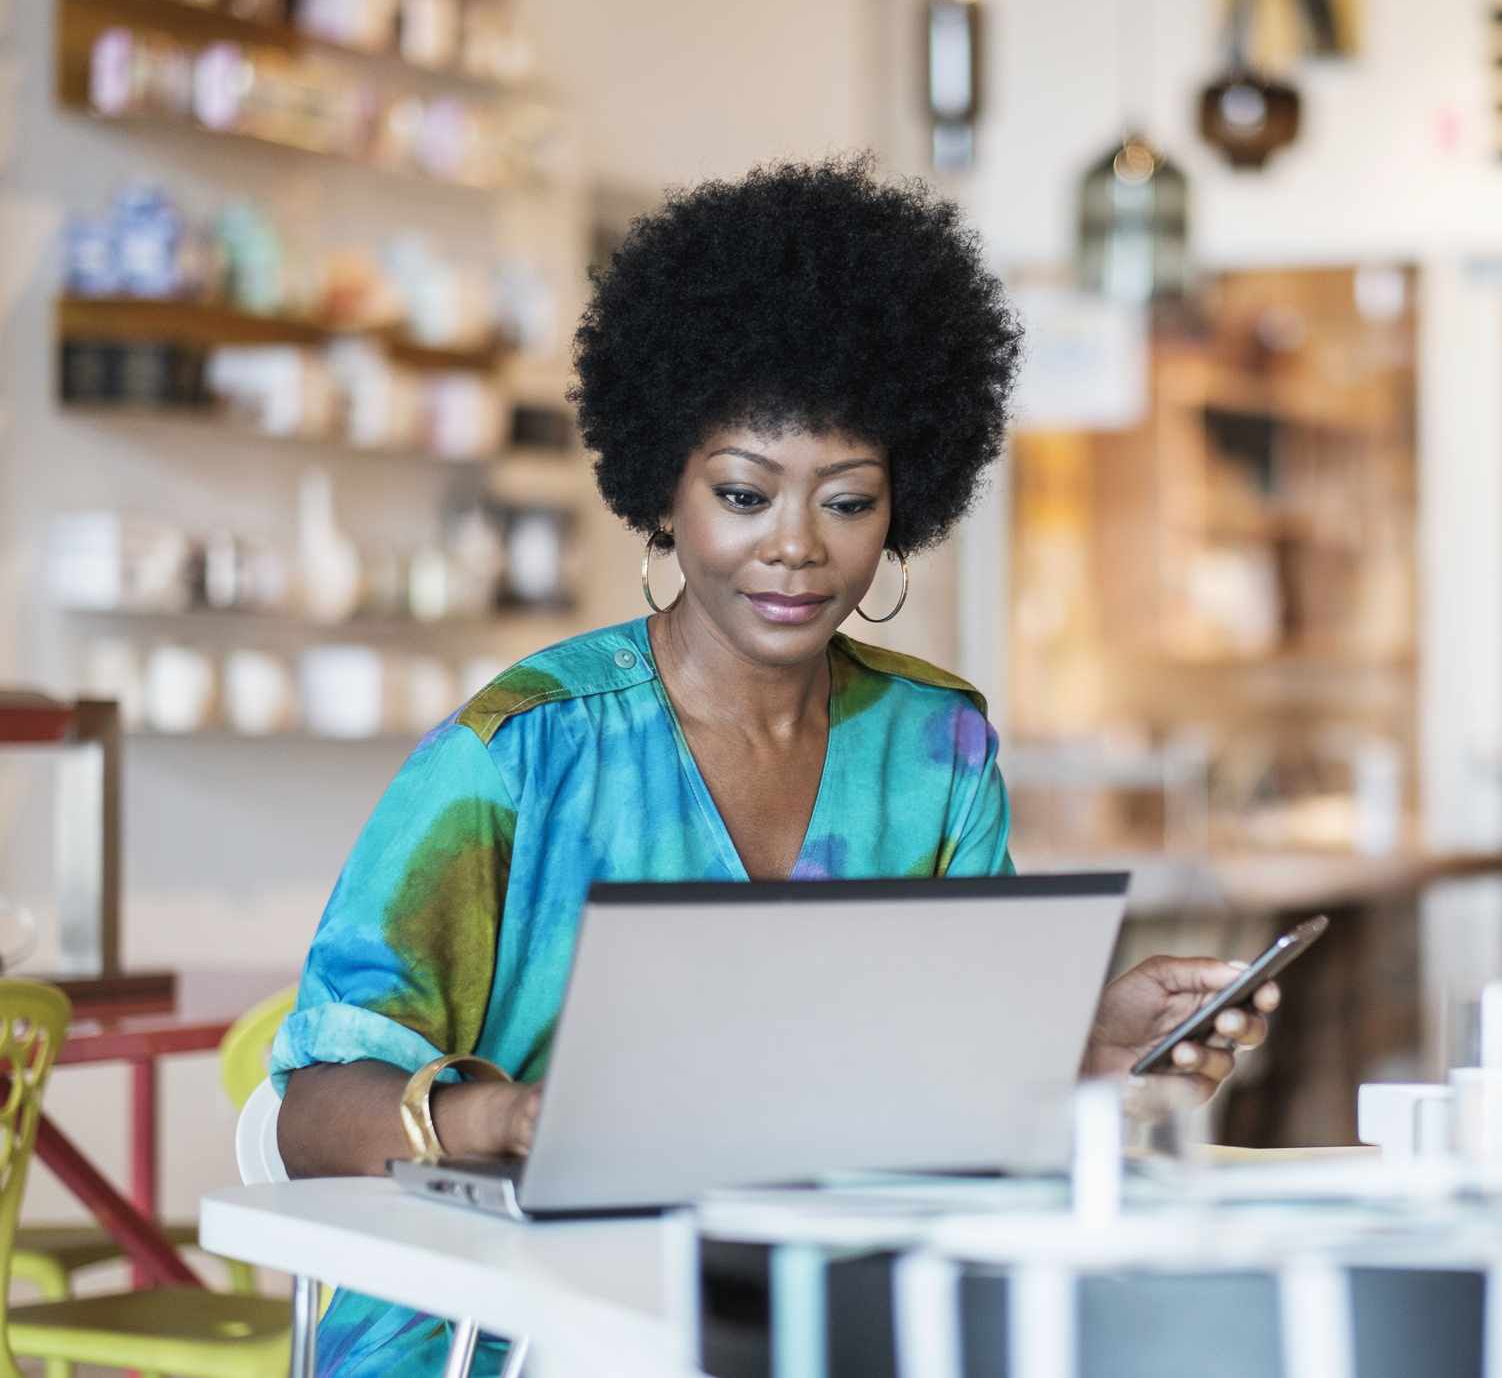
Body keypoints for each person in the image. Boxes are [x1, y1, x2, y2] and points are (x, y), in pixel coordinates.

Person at [270, 157, 1281, 1377]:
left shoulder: (935, 745)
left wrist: (1084, 1044)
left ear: (903, 504)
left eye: (847, 502)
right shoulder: (521, 751)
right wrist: (515, 1120)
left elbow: (925, 1078)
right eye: (745, 493)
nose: (796, 548)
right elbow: (312, 1108)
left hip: (796, 1316)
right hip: (500, 1330)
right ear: (667, 492)